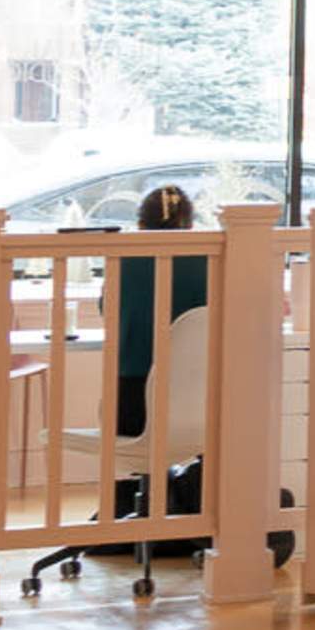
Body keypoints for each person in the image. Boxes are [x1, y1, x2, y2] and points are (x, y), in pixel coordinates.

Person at [113, 183, 213, 441]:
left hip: (131, 403)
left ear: (141, 225)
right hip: (196, 401)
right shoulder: (208, 260)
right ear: (190, 225)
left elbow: (108, 312)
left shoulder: (123, 259)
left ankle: (155, 480)